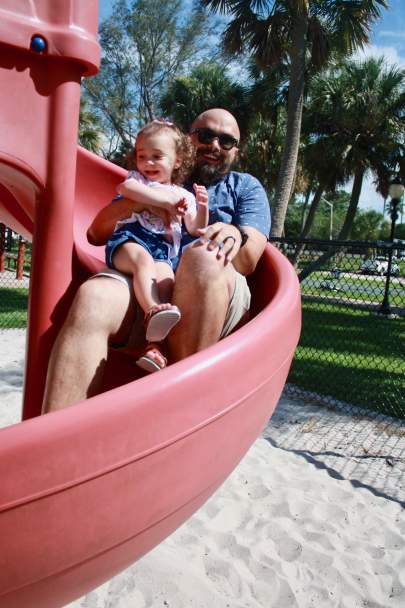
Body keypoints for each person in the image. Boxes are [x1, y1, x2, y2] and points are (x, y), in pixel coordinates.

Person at [41, 108, 270, 413]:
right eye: (206, 135)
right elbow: (95, 234)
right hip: (151, 280)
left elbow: (250, 258)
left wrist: (232, 232)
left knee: (201, 257)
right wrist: (140, 201)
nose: (215, 145)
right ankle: (56, 444)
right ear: (187, 142)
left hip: (213, 290)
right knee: (94, 297)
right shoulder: (155, 175)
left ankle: (183, 413)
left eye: (226, 141)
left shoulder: (245, 187)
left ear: (235, 151)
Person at [105, 120, 208, 372]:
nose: (148, 163)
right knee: (144, 263)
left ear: (177, 161)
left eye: (157, 156)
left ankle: (153, 346)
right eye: (142, 156)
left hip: (162, 250)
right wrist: (163, 202)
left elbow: (195, 228)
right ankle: (152, 310)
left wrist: (203, 207)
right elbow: (124, 188)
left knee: (166, 283)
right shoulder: (137, 180)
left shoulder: (184, 196)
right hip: (130, 240)